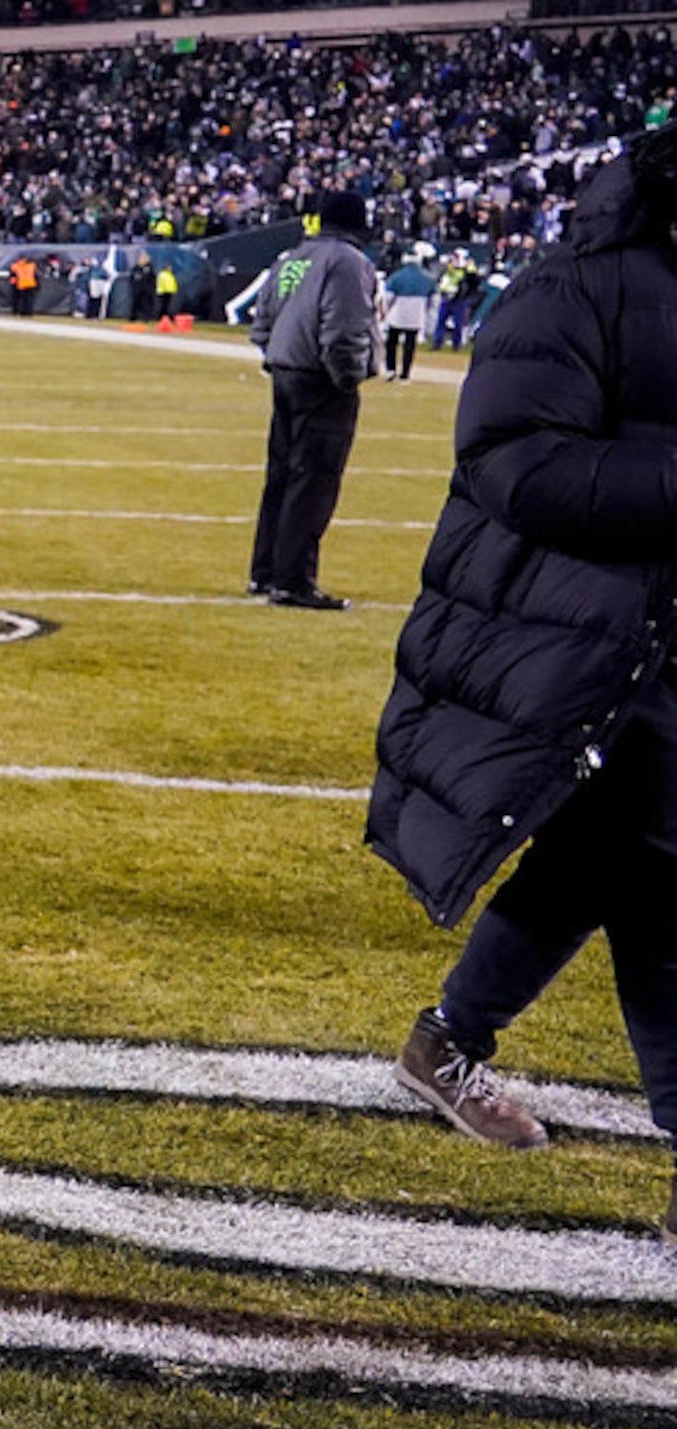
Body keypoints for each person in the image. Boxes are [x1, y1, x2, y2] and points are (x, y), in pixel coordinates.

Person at [365, 125, 677, 1248]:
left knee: (609, 858)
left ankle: (445, 1035)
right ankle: (447, 1037)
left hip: (644, 641)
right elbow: (510, 457)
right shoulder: (576, 286)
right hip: (577, 638)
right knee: (652, 865)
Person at [247, 189, 378, 610]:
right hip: (320, 379)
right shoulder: (347, 262)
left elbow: (261, 320)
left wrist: (276, 357)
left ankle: (265, 571)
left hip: (286, 372)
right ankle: (293, 579)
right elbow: (344, 327)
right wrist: (347, 377)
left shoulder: (292, 258)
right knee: (314, 479)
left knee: (281, 476)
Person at [379, 243, 437, 382]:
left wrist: (385, 310)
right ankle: (405, 374)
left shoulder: (397, 277)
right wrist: (426, 311)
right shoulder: (428, 278)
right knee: (410, 345)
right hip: (416, 315)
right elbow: (433, 300)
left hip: (397, 314)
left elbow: (388, 298)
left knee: (392, 342)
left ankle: (390, 370)